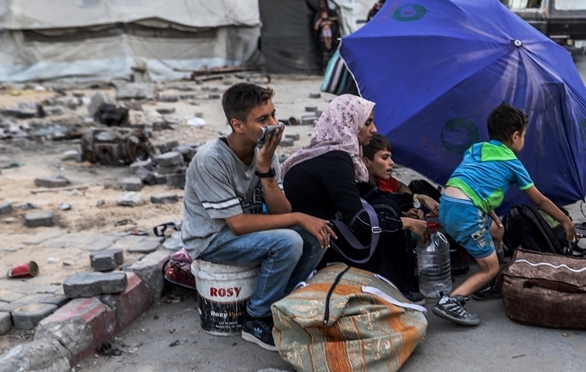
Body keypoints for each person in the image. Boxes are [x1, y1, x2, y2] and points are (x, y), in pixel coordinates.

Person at [181, 83, 335, 351]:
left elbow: (281, 213)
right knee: (289, 241)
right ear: (238, 125)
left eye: (274, 115)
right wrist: (299, 217)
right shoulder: (211, 159)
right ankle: (256, 318)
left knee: (314, 235)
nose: (274, 125)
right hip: (211, 240)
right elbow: (239, 225)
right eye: (263, 119)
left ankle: (281, 306)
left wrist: (265, 171)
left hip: (240, 235)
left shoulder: (264, 153)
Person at [433, 102, 577, 327]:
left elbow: (471, 180)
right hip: (467, 212)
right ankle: (451, 301)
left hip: (448, 204)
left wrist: (487, 209)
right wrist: (565, 220)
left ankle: (489, 282)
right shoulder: (512, 163)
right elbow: (539, 200)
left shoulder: (476, 149)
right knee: (491, 268)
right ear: (516, 136)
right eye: (525, 135)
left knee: (497, 228)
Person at [281, 96, 429, 301]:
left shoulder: (336, 154)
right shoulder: (336, 159)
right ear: (349, 123)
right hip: (316, 241)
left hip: (325, 231)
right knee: (386, 215)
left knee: (386, 209)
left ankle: (399, 288)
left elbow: (368, 193)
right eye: (367, 122)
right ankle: (392, 290)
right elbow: (358, 222)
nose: (374, 129)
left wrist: (414, 200)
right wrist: (404, 223)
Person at [363, 134, 440, 218]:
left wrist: (411, 207)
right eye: (385, 158)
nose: (391, 162)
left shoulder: (384, 181)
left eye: (390, 157)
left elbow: (400, 186)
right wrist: (417, 199)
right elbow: (385, 200)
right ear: (367, 162)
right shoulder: (363, 191)